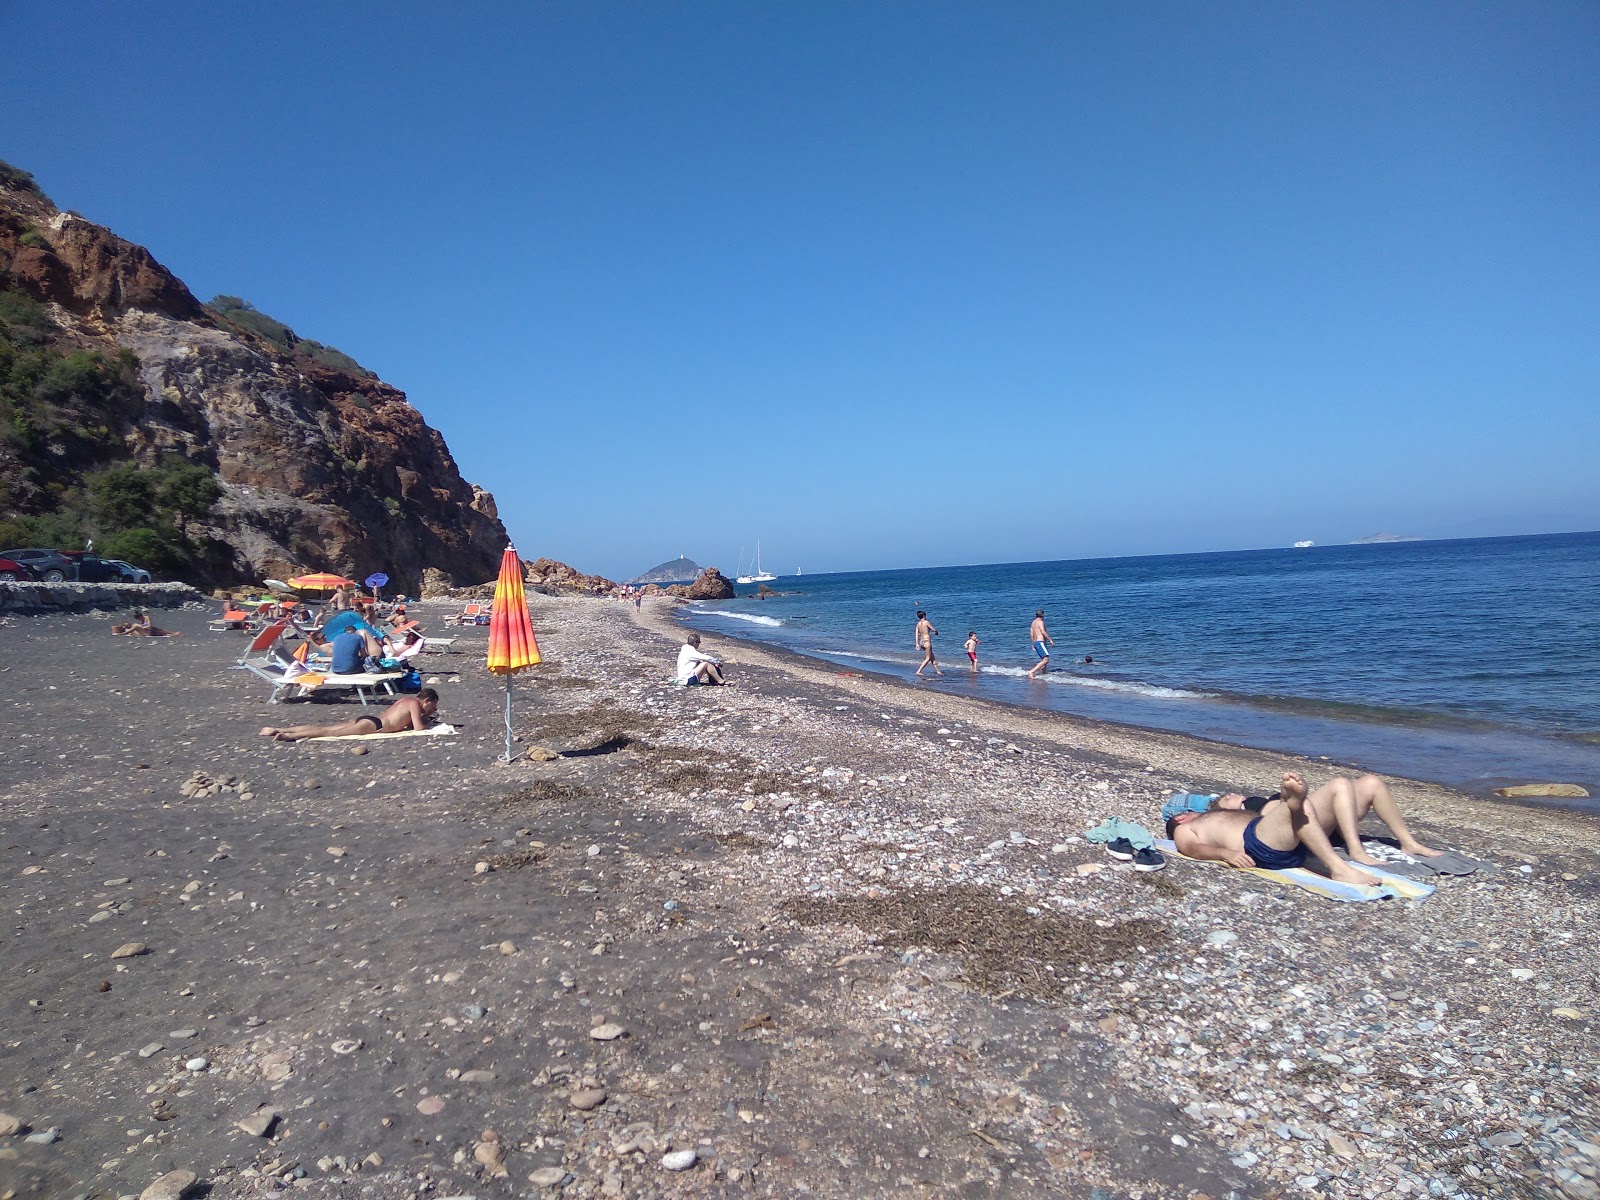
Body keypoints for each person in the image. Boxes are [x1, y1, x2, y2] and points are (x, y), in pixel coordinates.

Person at [1166, 771, 1387, 887]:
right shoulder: (1185, 828)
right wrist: (1225, 853)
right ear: (1181, 816)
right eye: (1195, 811)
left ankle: (1292, 801)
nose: (1202, 811)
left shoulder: (1210, 818)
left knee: (1301, 805)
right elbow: (1190, 848)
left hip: (1277, 840)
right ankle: (1339, 869)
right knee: (1297, 807)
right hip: (1256, 845)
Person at [1209, 773, 1443, 868]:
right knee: (1340, 783)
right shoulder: (1247, 812)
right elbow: (1271, 824)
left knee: (1371, 782)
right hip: (1300, 831)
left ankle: (1408, 842)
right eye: (1224, 799)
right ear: (1225, 811)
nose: (1229, 795)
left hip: (1318, 820)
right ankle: (1355, 850)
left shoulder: (1252, 799)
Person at [260, 689, 439, 741]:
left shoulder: (405, 701)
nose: (433, 708)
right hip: (375, 726)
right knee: (330, 734)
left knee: (326, 728)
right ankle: (289, 736)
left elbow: (403, 722)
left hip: (371, 719)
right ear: (427, 701)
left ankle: (277, 728)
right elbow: (418, 728)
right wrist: (428, 720)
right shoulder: (415, 704)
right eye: (433, 705)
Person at [112, 610, 182, 637]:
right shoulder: (141, 621)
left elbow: (149, 626)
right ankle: (123, 630)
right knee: (132, 627)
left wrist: (141, 627)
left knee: (135, 626)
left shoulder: (147, 618)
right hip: (144, 632)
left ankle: (122, 634)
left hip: (147, 632)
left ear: (141, 616)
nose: (139, 620)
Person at [1027, 610, 1054, 679]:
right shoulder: (1040, 622)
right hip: (1040, 642)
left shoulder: (1033, 622)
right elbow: (1043, 631)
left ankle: (1044, 674)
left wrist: (1033, 643)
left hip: (1036, 642)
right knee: (1046, 659)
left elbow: (1031, 633)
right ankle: (1032, 671)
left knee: (1043, 659)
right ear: (1042, 615)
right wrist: (1050, 640)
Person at [914, 610, 941, 677]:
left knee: (932, 657)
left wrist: (917, 644)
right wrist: (936, 632)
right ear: (924, 616)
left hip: (921, 642)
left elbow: (916, 634)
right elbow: (933, 629)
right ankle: (918, 671)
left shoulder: (918, 624)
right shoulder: (926, 622)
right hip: (927, 641)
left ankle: (938, 671)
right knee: (928, 658)